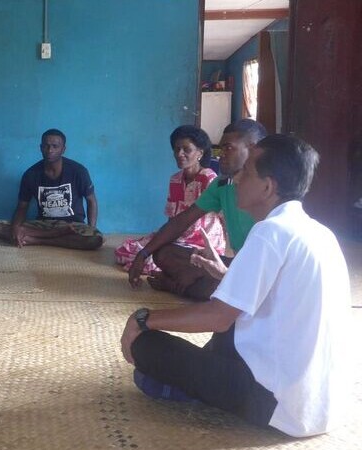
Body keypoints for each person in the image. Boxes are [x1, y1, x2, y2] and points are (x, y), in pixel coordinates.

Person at [120, 134, 351, 437]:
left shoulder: (270, 232)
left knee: (146, 346)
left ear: (268, 187)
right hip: (320, 405)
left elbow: (218, 316)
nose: (238, 178)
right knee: (229, 325)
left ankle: (196, 390)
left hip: (275, 405)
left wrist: (143, 318)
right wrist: (224, 276)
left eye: (248, 173)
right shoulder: (319, 232)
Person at [127, 119, 266, 301]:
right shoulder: (222, 184)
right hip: (235, 264)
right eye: (220, 149)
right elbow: (182, 220)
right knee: (162, 252)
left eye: (228, 148)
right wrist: (143, 254)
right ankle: (199, 282)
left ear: (252, 148)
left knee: (219, 286)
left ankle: (177, 285)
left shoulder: (268, 187)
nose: (221, 155)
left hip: (259, 271)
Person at [115, 125, 226, 273]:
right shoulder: (175, 179)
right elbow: (173, 218)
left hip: (202, 241)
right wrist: (164, 239)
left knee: (157, 259)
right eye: (176, 149)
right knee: (125, 251)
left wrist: (219, 247)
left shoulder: (209, 179)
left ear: (200, 153)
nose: (180, 154)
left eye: (187, 149)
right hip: (177, 235)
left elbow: (222, 219)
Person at [0, 128, 104, 250]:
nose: (50, 150)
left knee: (95, 239)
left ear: (63, 149)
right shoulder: (31, 174)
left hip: (72, 226)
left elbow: (91, 201)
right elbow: (22, 206)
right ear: (40, 147)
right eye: (46, 146)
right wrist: (16, 228)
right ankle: (52, 236)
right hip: (43, 225)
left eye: (55, 146)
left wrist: (91, 229)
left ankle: (35, 240)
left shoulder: (78, 171)